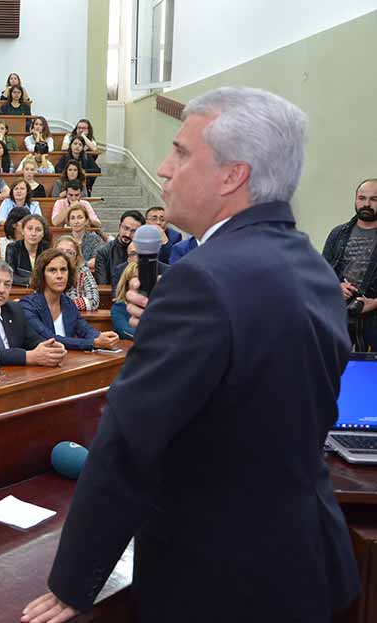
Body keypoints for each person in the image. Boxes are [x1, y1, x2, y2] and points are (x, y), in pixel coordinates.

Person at [22, 87, 360, 623]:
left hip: (218, 581)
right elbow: (254, 385)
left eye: (181, 152)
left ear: (232, 175)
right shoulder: (311, 265)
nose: (164, 166)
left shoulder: (201, 281)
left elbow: (130, 444)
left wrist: (73, 583)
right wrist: (175, 325)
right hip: (304, 563)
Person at [0, 259, 67, 367]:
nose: (1, 290)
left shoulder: (14, 309)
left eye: (7, 284)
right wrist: (27, 357)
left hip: (17, 375)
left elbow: (32, 339)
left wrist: (51, 349)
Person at [19, 248, 119, 354]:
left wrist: (102, 337)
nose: (59, 276)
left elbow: (85, 330)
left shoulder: (68, 303)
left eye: (63, 269)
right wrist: (93, 343)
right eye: (52, 270)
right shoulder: (28, 306)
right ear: (41, 275)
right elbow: (50, 339)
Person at [323, 178, 377, 352]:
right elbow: (321, 275)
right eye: (362, 198)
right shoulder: (338, 234)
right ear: (355, 200)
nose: (366, 204)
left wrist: (375, 302)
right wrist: (335, 287)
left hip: (374, 322)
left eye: (374, 199)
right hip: (340, 316)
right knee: (337, 372)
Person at [94, 209, 143, 285]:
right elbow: (103, 284)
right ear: (119, 226)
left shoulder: (144, 252)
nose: (128, 234)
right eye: (126, 228)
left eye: (133, 231)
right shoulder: (103, 252)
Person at [54, 234, 100, 312]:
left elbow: (93, 301)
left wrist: (63, 306)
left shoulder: (83, 271)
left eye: (70, 253)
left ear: (76, 259)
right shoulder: (46, 271)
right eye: (60, 251)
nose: (64, 256)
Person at [5, 213, 50, 287]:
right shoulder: (12, 248)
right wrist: (30, 281)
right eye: (29, 229)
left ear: (43, 234)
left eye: (38, 230)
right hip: (20, 290)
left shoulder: (47, 249)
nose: (33, 233)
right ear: (23, 231)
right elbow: (9, 275)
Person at [109, 259, 137, 340]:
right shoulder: (119, 307)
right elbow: (125, 331)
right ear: (127, 283)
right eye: (135, 278)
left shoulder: (155, 304)